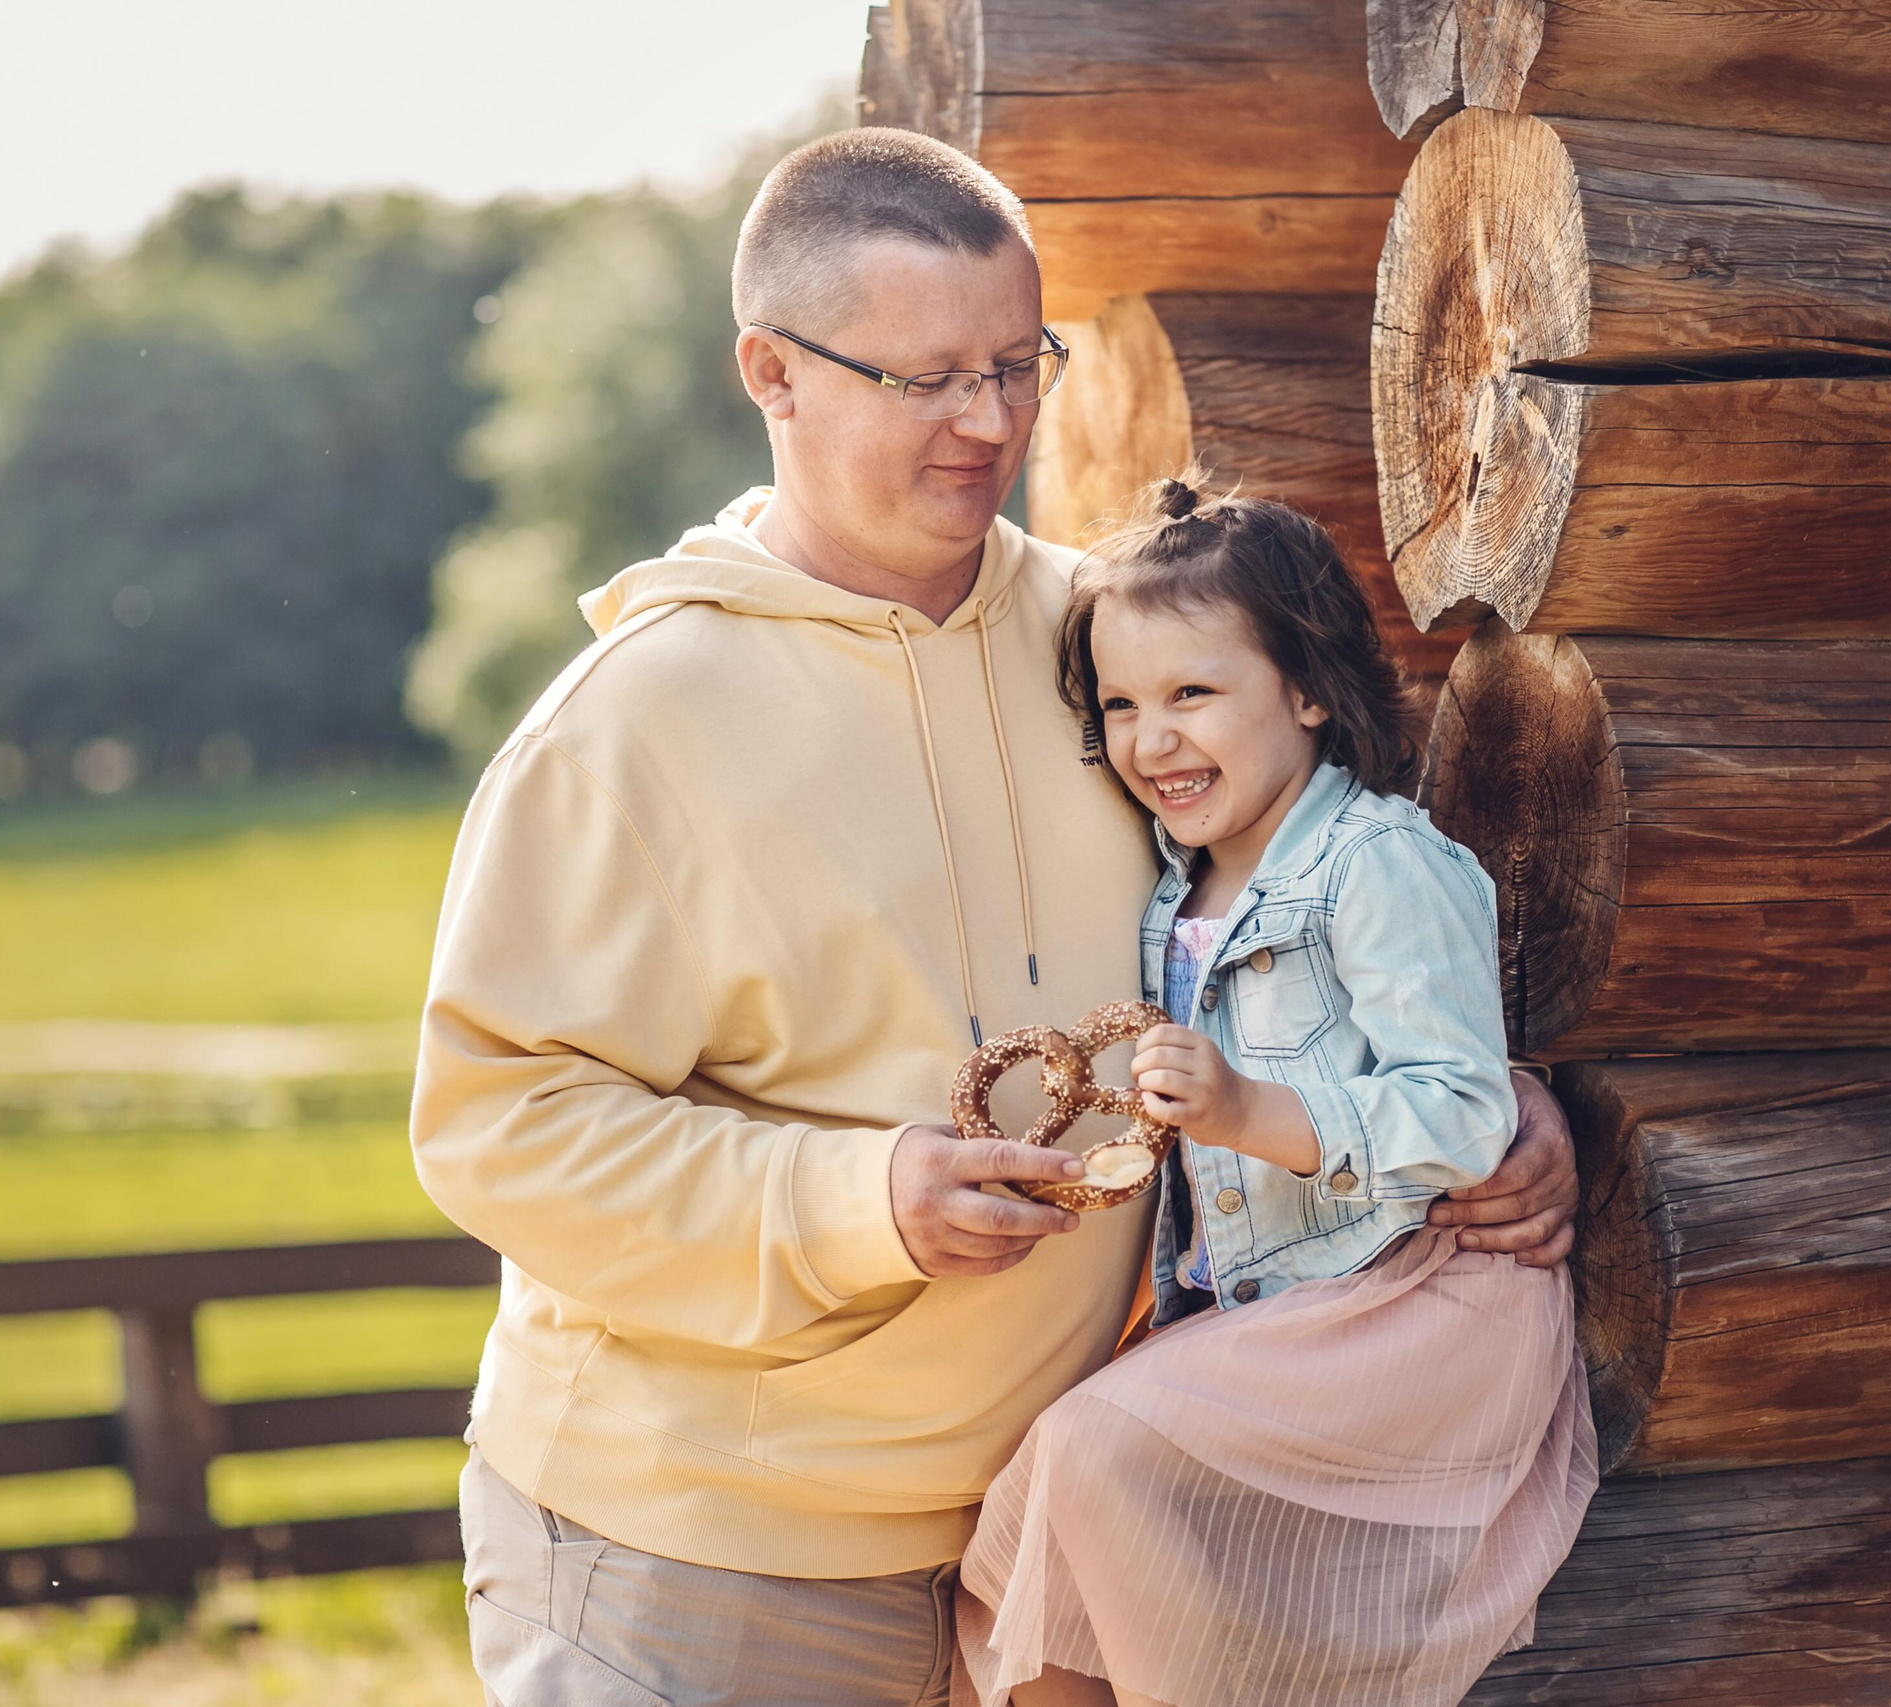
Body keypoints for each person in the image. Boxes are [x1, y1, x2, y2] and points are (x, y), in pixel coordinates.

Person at [410, 127, 1582, 1707]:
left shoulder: (1115, 645)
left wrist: (1494, 1102)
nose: (989, 423)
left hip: (1035, 1552)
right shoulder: (631, 723)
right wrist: (862, 1196)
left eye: (1017, 363)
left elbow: (1286, 935)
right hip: (697, 1554)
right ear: (772, 370)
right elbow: (500, 1123)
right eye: (924, 378)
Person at [954, 479, 1598, 1707]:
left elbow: (1465, 1114)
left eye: (1193, 694)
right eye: (1122, 705)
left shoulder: (1381, 866)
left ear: (1307, 689)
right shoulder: (1170, 891)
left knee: (1092, 1452)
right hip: (1273, 1309)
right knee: (1009, 1582)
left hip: (1411, 1304)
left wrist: (1252, 1113)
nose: (1151, 741)